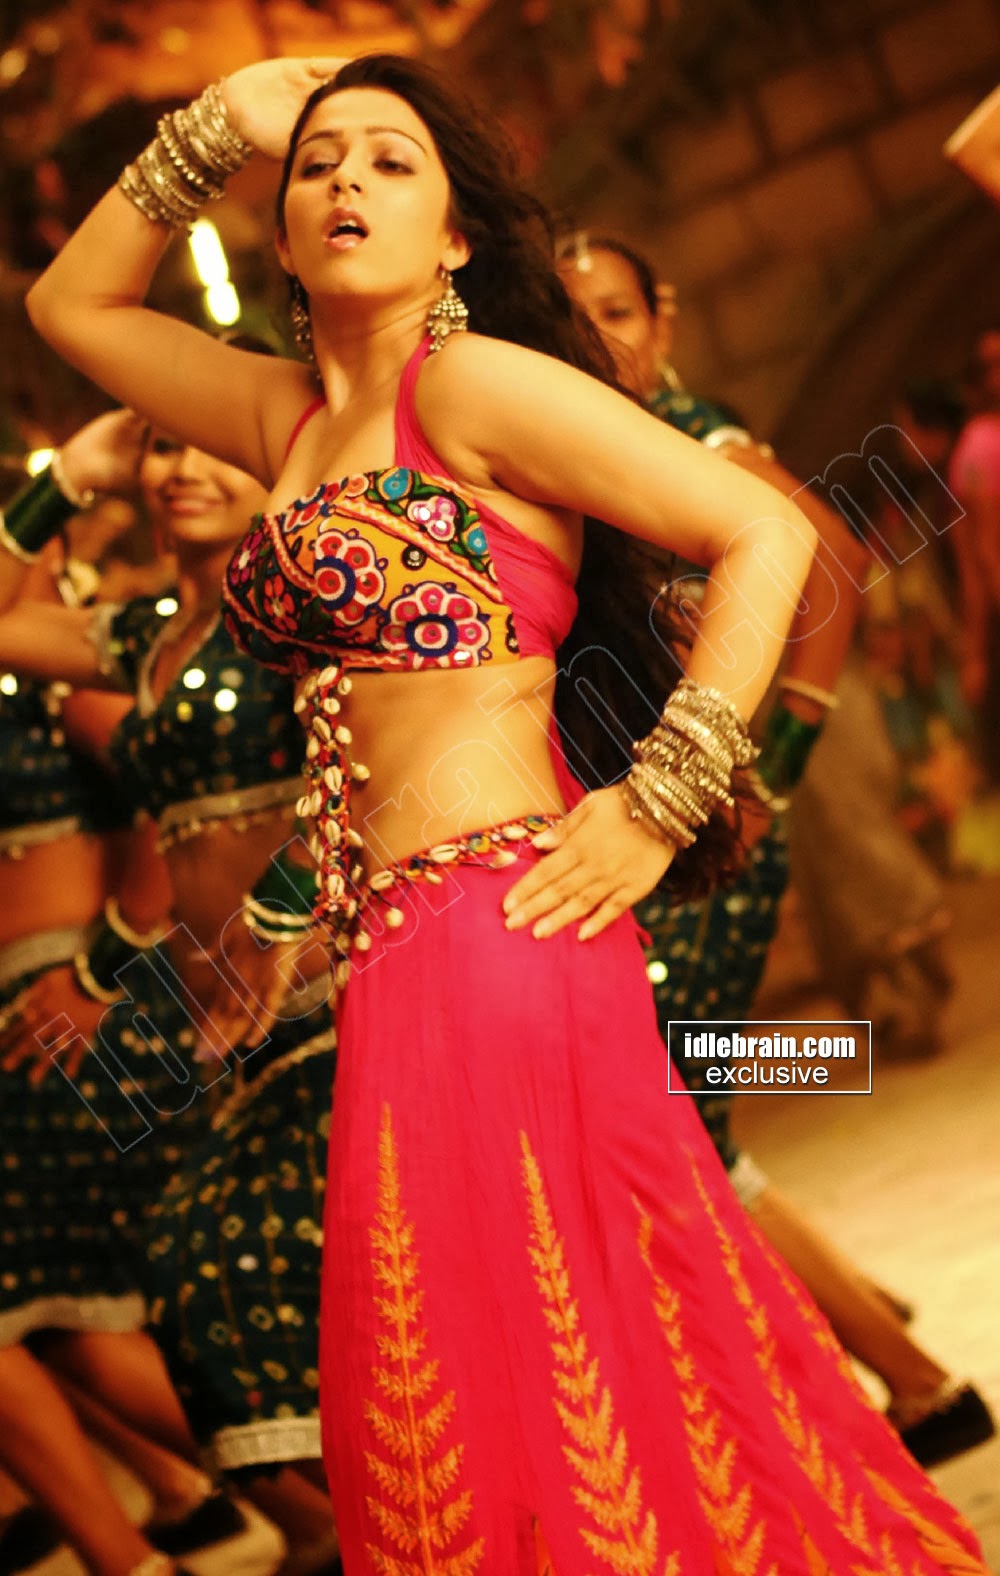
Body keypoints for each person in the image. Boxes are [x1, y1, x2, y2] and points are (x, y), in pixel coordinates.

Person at [23, 53, 988, 1574]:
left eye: (390, 161)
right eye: (318, 164)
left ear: (458, 236)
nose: (345, 181)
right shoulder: (289, 421)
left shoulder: (466, 386)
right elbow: (71, 308)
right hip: (389, 946)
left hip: (501, 918)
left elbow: (764, 532)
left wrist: (663, 800)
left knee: (549, 1337)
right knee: (503, 1351)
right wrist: (223, 119)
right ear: (282, 238)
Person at [558, 232, 996, 1468]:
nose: (599, 336)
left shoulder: (699, 442)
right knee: (682, 1111)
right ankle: (858, 1307)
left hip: (712, 820)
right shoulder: (597, 445)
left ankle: (911, 1375)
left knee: (675, 1119)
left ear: (665, 318)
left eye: (617, 311)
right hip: (669, 820)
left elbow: (833, 562)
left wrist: (773, 769)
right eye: (574, 315)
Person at [0, 409, 341, 1571]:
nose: (183, 467)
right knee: (210, 1282)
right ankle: (396, 1520)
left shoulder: (303, 604)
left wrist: (277, 915)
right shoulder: (147, 639)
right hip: (233, 1031)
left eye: (210, 444)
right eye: (160, 448)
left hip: (336, 994)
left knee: (239, 1265)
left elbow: (376, 762)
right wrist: (65, 478)